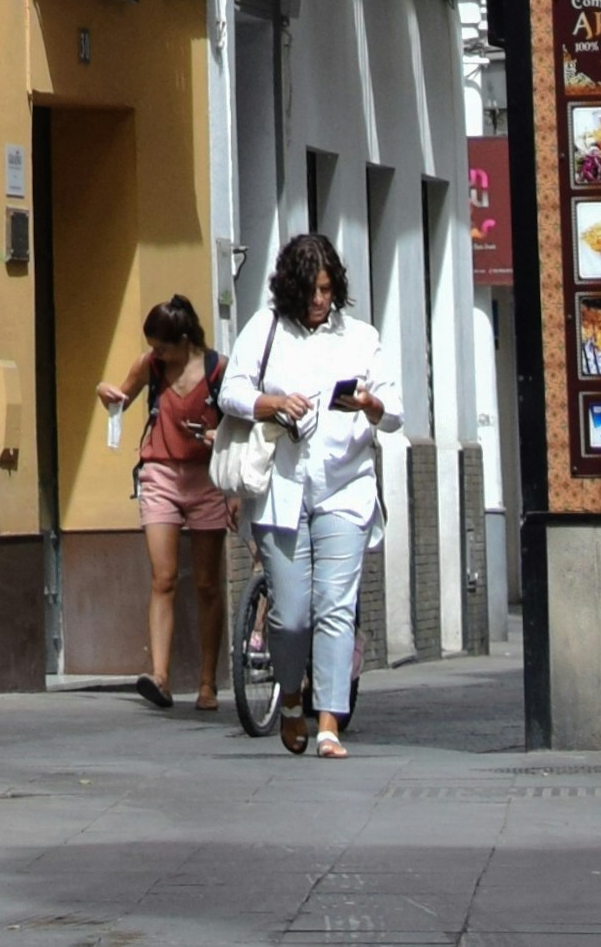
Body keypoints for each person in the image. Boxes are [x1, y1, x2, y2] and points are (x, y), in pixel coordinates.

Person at [219, 231, 402, 753]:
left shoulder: (360, 337)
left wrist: (369, 404)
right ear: (290, 289)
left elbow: (394, 411)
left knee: (335, 608)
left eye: (327, 289)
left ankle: (328, 723)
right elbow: (230, 392)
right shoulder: (266, 328)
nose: (320, 300)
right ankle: (292, 699)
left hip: (346, 487)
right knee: (291, 614)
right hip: (281, 488)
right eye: (310, 291)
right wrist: (274, 403)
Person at [96, 291, 233, 709]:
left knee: (207, 584)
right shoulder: (150, 366)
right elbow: (121, 398)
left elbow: (239, 424)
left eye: (162, 348)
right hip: (159, 475)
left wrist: (220, 440)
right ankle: (160, 676)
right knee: (164, 577)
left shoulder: (219, 370)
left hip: (207, 478)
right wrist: (107, 394)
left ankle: (208, 683)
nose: (156, 354)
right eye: (153, 347)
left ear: (184, 340)